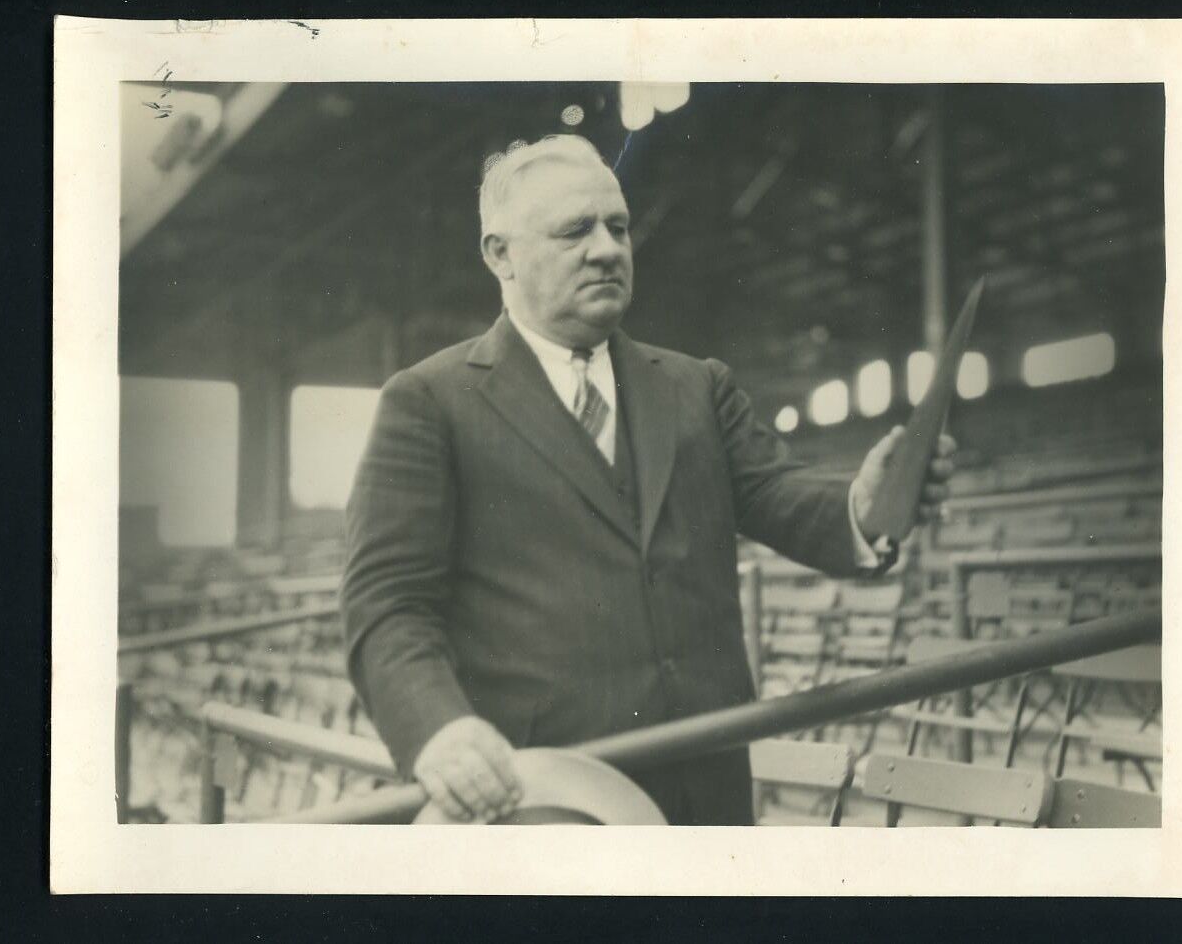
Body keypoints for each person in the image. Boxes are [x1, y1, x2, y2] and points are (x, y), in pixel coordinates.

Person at [342, 134, 955, 825]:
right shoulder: (429, 402)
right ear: (499, 254)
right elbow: (385, 604)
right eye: (575, 230)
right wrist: (439, 731)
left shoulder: (696, 386)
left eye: (618, 227)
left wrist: (862, 506)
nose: (606, 249)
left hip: (708, 778)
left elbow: (776, 493)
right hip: (548, 798)